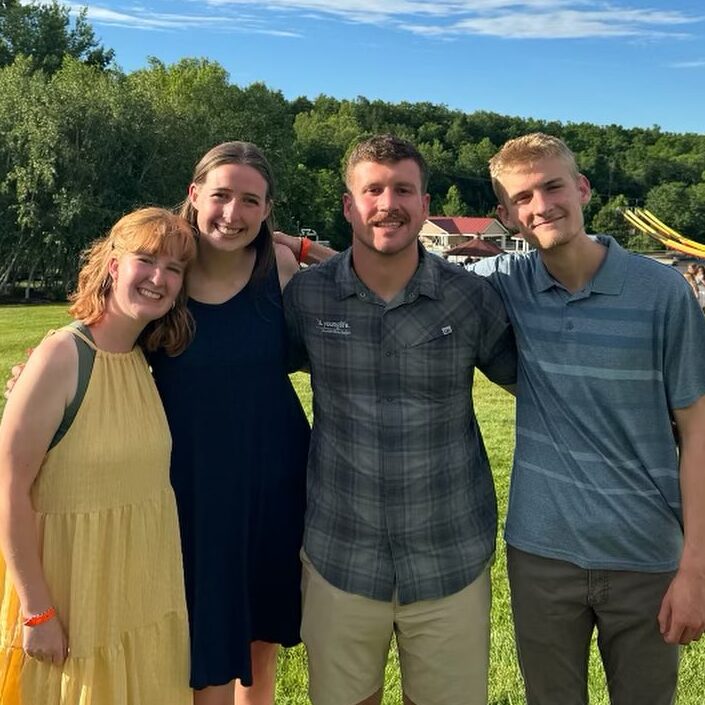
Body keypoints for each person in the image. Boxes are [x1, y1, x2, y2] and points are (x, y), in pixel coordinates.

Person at [472, 132, 705, 705]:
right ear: (506, 216)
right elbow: (401, 273)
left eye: (553, 187)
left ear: (582, 188)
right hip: (541, 552)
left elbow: (698, 431)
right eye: (522, 198)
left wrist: (695, 568)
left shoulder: (662, 292)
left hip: (646, 553)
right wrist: (297, 248)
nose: (541, 206)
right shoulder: (506, 282)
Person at [283, 134, 517, 705]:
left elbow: (536, 383)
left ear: (425, 203)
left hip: (448, 555)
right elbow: (238, 365)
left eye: (403, 190)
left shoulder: (468, 298)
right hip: (340, 554)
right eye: (373, 190)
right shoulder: (308, 299)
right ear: (348, 205)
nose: (388, 203)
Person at [0, 207, 196, 704]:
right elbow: (8, 489)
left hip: (139, 596)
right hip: (71, 600)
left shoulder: (144, 361)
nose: (159, 278)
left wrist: (300, 247)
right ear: (113, 265)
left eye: (174, 268)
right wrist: (38, 612)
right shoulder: (62, 356)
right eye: (145, 260)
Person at [148, 141, 311, 705]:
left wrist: (302, 245)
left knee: (259, 633)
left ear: (267, 210)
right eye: (220, 195)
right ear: (194, 194)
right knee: (203, 632)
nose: (232, 213)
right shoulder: (164, 271)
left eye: (250, 201)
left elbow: (362, 276)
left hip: (272, 473)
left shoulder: (281, 269)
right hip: (187, 479)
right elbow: (105, 326)